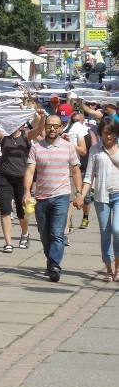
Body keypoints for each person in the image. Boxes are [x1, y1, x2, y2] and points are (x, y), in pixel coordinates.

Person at [0, 110, 44, 252]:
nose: (12, 126)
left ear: (20, 125)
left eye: (15, 123)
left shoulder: (26, 135)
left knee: (22, 211)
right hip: (5, 177)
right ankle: (8, 242)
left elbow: (40, 129)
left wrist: (43, 116)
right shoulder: (3, 136)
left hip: (22, 178)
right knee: (5, 210)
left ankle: (24, 234)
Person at [23, 114, 83, 282]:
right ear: (45, 126)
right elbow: (29, 171)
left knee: (57, 233)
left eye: (55, 126)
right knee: (44, 233)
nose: (52, 129)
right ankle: (51, 261)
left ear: (60, 128)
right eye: (49, 125)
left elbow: (76, 170)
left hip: (61, 196)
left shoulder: (68, 147)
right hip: (41, 197)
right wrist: (27, 192)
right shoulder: (36, 147)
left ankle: (55, 265)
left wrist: (78, 193)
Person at [81, 120, 119, 281]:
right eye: (105, 133)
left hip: (118, 194)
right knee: (105, 233)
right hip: (101, 196)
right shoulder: (95, 150)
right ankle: (109, 269)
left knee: (117, 230)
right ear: (101, 133)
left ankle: (118, 268)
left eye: (111, 132)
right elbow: (89, 176)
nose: (108, 136)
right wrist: (81, 195)